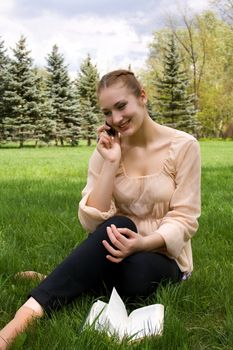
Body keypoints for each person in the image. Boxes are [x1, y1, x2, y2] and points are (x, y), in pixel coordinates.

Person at [0, 69, 201, 349]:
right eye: (107, 112)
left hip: (163, 256)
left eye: (121, 106)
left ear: (142, 96)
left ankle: (64, 278)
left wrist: (143, 242)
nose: (115, 119)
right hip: (115, 247)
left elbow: (185, 218)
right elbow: (93, 222)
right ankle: (20, 320)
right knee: (121, 226)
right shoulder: (107, 149)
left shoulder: (184, 147)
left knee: (136, 276)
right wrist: (110, 162)